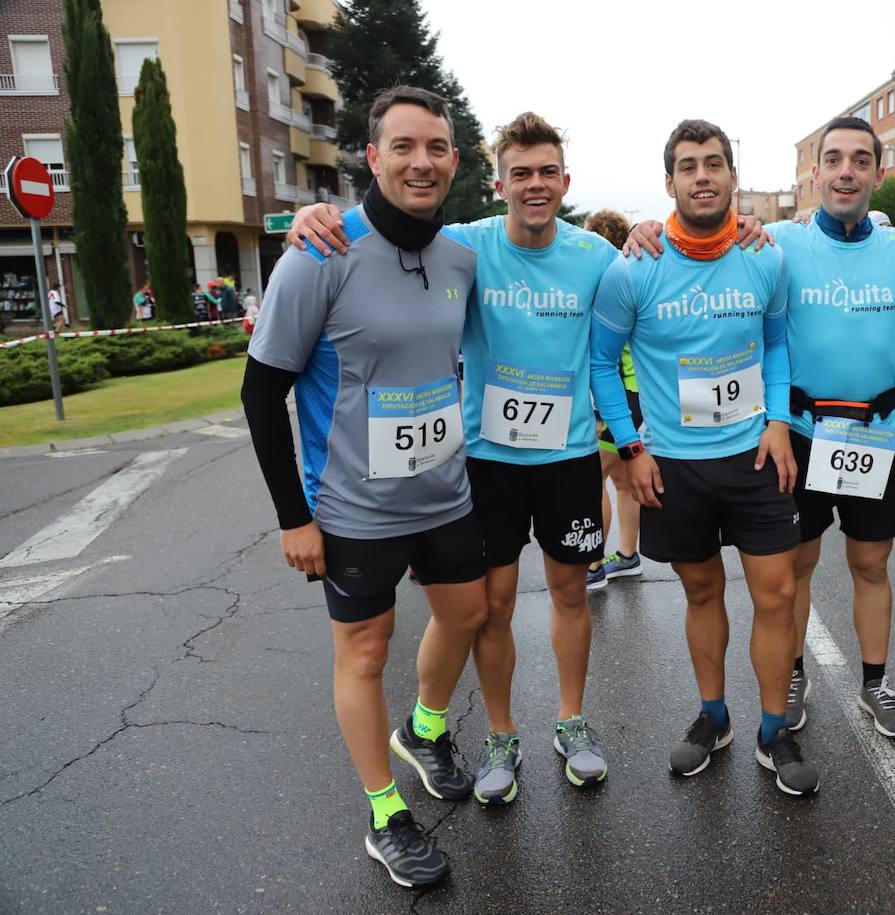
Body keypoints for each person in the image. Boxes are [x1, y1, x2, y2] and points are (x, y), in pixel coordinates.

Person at [288, 112, 618, 805]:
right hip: (486, 466)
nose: (535, 185)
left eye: (547, 172)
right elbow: (383, 227)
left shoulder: (598, 257)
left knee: (570, 594)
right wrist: (315, 213)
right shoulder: (463, 245)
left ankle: (572, 720)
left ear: (566, 180)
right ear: (497, 182)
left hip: (568, 460)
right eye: (520, 173)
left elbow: (628, 325)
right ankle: (500, 732)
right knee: (491, 607)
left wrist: (665, 231)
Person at [240, 86, 489, 888]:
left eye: (437, 148)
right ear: (372, 157)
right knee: (366, 650)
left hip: (445, 495)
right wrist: (294, 516)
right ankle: (386, 813)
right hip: (352, 507)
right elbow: (259, 391)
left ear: (453, 160)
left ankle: (423, 730)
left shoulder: (459, 256)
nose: (422, 161)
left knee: (467, 613)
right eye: (404, 146)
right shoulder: (319, 252)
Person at [623, 116, 895, 740]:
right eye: (834, 160)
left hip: (878, 429)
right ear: (814, 175)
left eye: (861, 161)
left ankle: (875, 682)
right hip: (803, 431)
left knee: (873, 563)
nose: (847, 171)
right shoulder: (775, 240)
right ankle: (790, 674)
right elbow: (712, 235)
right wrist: (641, 226)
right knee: (796, 569)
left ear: (876, 171)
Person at [590, 119, 817, 796]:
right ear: (669, 182)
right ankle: (713, 715)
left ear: (732, 176)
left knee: (776, 594)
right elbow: (602, 363)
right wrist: (631, 447)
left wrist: (778, 420)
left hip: (754, 456)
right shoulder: (633, 266)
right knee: (702, 590)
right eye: (688, 166)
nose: (702, 176)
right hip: (675, 465)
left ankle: (775, 727)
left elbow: (776, 345)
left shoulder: (765, 256)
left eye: (714, 163)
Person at [583, 208, 645, 591]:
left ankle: (592, 566)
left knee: (595, 478)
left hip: (618, 394)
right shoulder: (632, 272)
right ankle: (627, 555)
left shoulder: (604, 281)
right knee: (622, 481)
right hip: (636, 392)